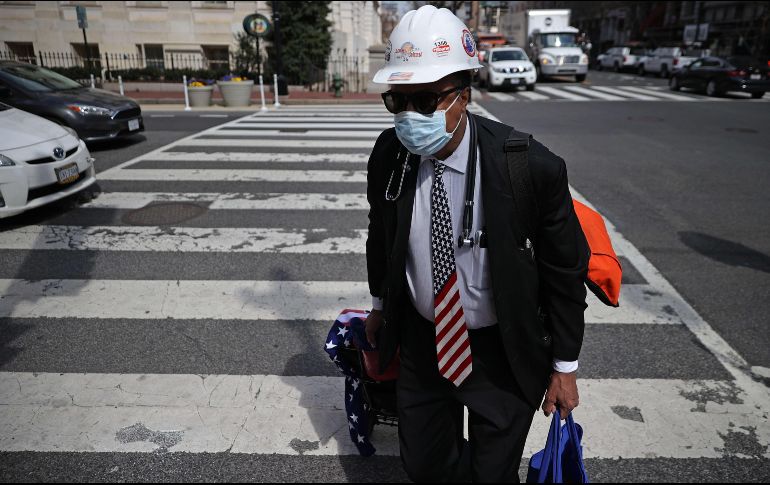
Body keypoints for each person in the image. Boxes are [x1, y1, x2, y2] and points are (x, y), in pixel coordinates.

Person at [364, 5, 590, 483]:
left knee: (492, 473)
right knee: (425, 465)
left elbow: (565, 269)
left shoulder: (529, 167)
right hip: (425, 341)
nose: (409, 116)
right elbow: (381, 234)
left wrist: (565, 366)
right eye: (397, 101)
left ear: (463, 95)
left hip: (502, 349)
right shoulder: (390, 156)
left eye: (426, 100)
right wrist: (380, 306)